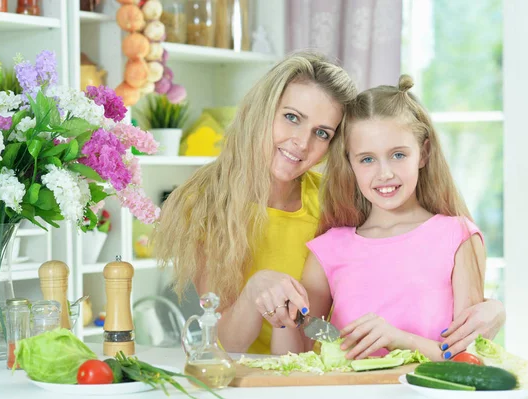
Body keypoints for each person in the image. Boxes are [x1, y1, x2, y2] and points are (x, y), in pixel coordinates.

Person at [153, 53, 505, 356]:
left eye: (323, 133)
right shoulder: (202, 205)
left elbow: (407, 258)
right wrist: (254, 292)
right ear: (263, 111)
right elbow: (220, 347)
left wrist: (496, 309)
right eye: (291, 117)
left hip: (334, 375)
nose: (301, 143)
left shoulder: (335, 198)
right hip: (256, 378)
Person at [272, 75, 497, 362]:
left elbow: (470, 358)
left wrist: (398, 340)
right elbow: (295, 355)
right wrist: (281, 317)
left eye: (398, 155)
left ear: (423, 153)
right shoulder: (328, 249)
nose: (385, 173)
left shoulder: (457, 237)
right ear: (350, 163)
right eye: (367, 159)